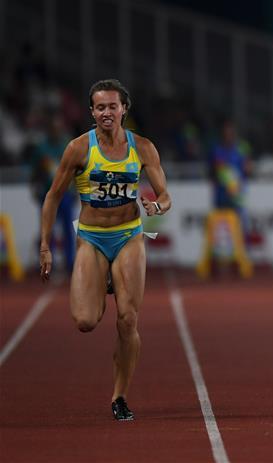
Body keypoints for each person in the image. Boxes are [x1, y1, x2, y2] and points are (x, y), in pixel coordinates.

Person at [39, 79, 172, 420]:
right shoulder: (78, 149)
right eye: (100, 107)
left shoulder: (142, 148)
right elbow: (53, 196)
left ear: (124, 109)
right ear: (91, 112)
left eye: (112, 106)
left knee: (128, 320)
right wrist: (45, 245)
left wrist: (158, 207)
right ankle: (105, 279)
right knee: (85, 320)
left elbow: (165, 195)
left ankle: (120, 396)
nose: (106, 113)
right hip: (92, 238)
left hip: (128, 236)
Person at [30, 114, 76, 272]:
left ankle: (70, 264)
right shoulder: (41, 148)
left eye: (58, 128)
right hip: (48, 194)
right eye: (53, 128)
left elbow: (75, 169)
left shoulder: (67, 146)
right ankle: (48, 263)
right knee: (47, 231)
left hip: (65, 195)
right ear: (49, 130)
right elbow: (35, 170)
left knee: (68, 230)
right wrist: (34, 187)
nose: (56, 131)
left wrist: (75, 190)